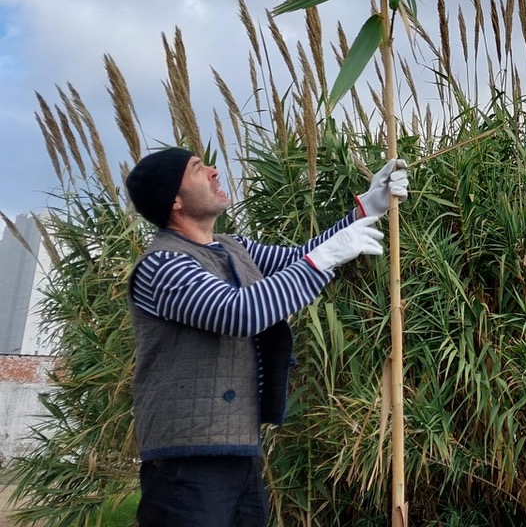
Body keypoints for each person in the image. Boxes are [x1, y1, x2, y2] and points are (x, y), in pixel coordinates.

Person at [124, 146, 408, 527]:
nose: (212, 171)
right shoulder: (162, 264)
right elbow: (239, 312)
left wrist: (368, 208)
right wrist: (324, 260)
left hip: (240, 452)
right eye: (197, 168)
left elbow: (301, 259)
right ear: (174, 199)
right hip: (185, 465)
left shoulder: (233, 247)